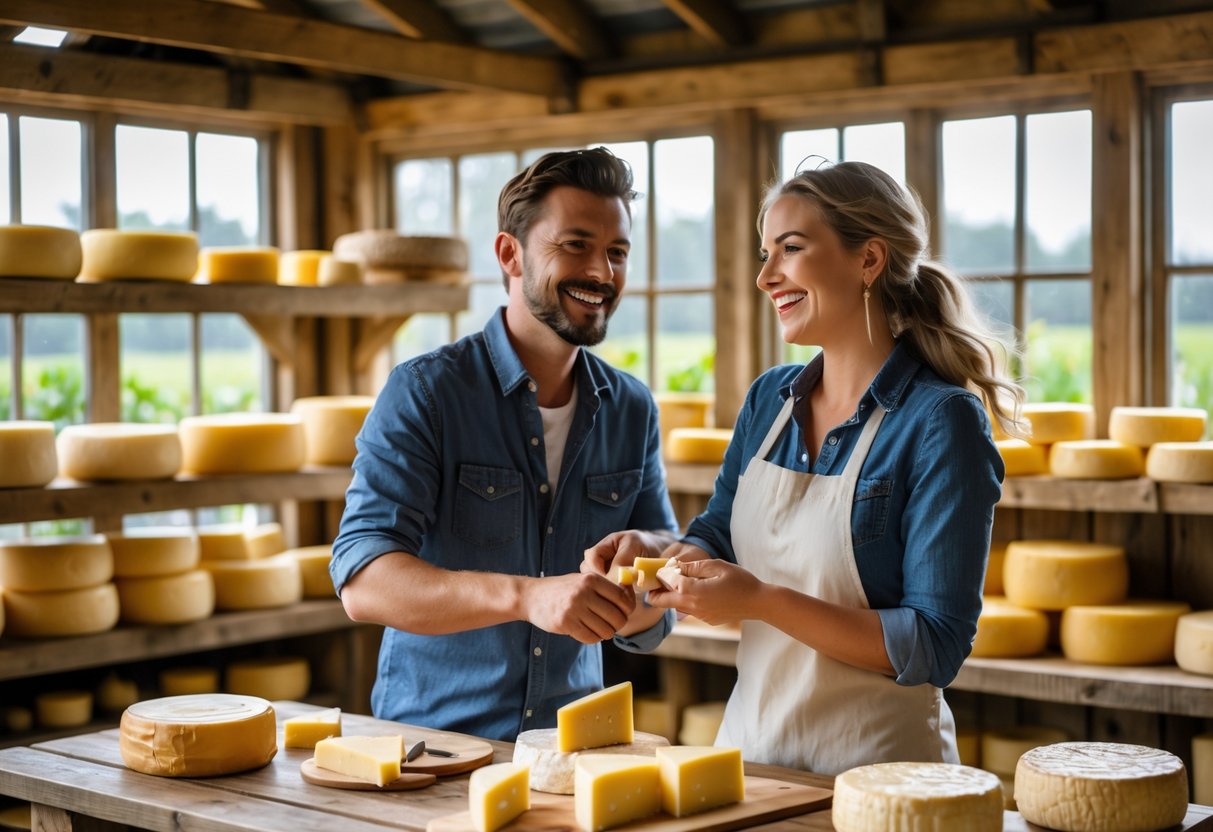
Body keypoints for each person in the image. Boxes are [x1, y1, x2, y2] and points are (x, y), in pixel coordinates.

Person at [632, 160, 1021, 774]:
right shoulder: (770, 400)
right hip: (750, 764)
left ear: (869, 260)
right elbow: (719, 533)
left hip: (882, 783)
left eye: (790, 248)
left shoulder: (940, 421)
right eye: (765, 253)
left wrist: (759, 599)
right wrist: (665, 555)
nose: (765, 277)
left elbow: (934, 644)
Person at [331, 147, 679, 742]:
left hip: (574, 757)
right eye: (575, 244)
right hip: (430, 750)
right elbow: (364, 581)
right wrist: (526, 597)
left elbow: (655, 602)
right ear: (509, 254)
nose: (602, 272)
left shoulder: (632, 408)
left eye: (616, 252)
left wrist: (652, 566)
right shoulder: (426, 392)